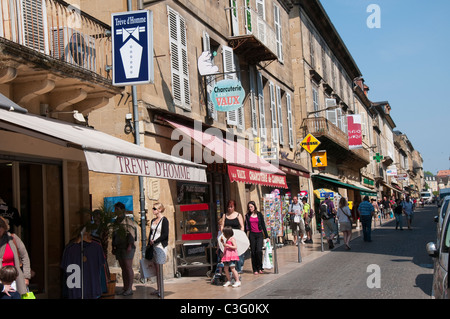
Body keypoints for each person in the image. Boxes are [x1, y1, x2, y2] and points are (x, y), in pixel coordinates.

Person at [0, 216, 31, 296]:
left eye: (1, 226)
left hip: (15, 280)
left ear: (4, 227)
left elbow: (25, 257)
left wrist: (26, 276)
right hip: (1, 281)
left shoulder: (12, 238)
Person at [112, 202, 136, 296]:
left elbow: (131, 233)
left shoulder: (127, 220)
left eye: (117, 209)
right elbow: (113, 234)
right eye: (115, 209)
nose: (116, 211)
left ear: (122, 210)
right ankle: (125, 287)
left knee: (128, 267)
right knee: (123, 268)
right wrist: (113, 246)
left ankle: (129, 288)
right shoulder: (116, 221)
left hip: (127, 247)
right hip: (119, 247)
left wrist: (129, 245)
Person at [147, 202, 169, 297]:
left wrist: (155, 241)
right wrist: (149, 243)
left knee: (159, 268)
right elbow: (150, 233)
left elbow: (165, 234)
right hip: (153, 246)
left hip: (160, 246)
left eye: (155, 208)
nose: (153, 210)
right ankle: (158, 288)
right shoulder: (153, 220)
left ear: (160, 209)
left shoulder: (164, 220)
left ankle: (161, 289)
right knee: (155, 269)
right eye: (153, 208)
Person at [220, 200, 245, 273]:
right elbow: (222, 225)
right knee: (228, 252)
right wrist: (222, 233)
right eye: (228, 207)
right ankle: (231, 268)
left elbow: (242, 226)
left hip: (236, 236)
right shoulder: (225, 215)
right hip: (227, 236)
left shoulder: (238, 215)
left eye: (231, 207)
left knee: (238, 252)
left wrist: (241, 234)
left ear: (234, 207)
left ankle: (239, 267)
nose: (229, 208)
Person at [244, 201, 269, 275]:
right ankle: (254, 269)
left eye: (251, 206)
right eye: (249, 207)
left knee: (259, 251)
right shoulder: (247, 215)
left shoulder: (259, 214)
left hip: (259, 234)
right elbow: (246, 227)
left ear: (254, 206)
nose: (250, 208)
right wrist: (244, 236)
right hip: (252, 235)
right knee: (253, 252)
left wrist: (267, 236)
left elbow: (263, 225)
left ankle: (260, 267)